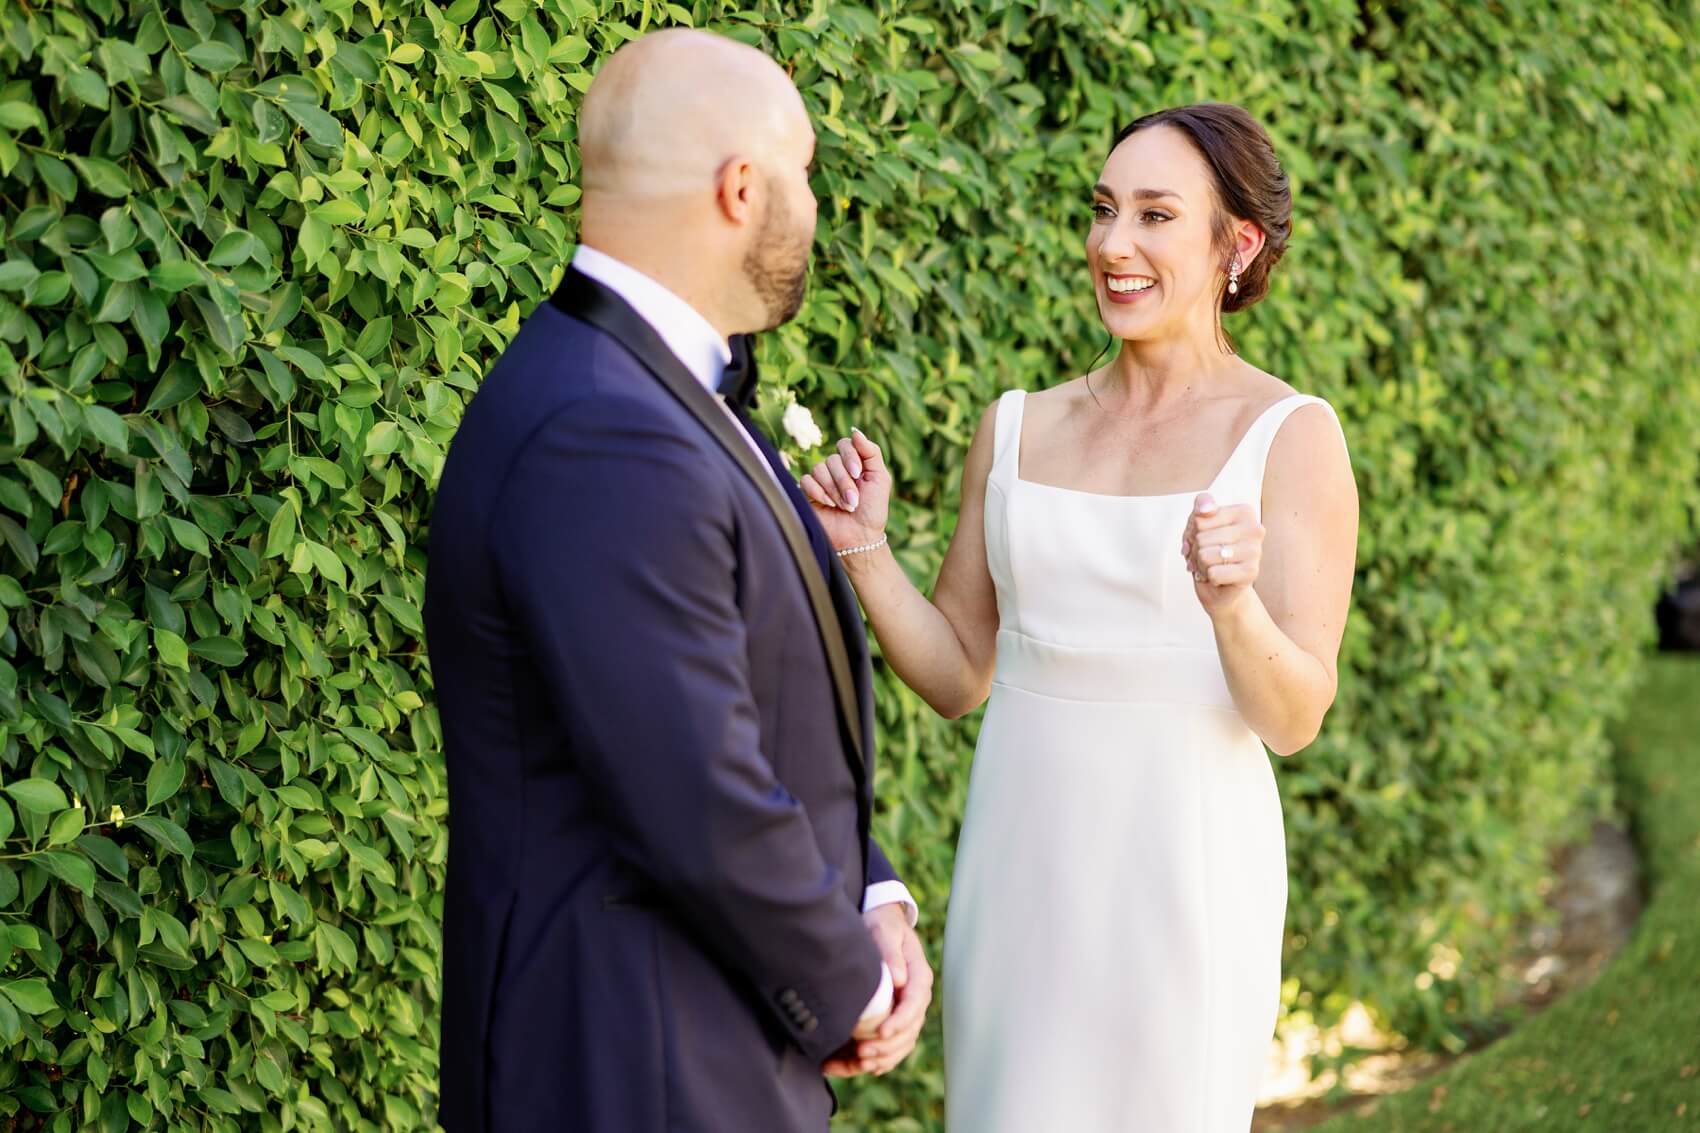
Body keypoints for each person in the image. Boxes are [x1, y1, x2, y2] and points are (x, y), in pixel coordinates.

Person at [801, 104, 1359, 1130]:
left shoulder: (1290, 435)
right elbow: (960, 670)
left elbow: (1293, 716)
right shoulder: (1015, 426)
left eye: (1154, 215)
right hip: (1021, 868)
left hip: (1187, 874)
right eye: (1103, 211)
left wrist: (1229, 605)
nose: (1113, 245)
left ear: (1232, 244)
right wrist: (861, 553)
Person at [424, 29, 931, 1133]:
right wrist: (844, 976)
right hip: (631, 1057)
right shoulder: (604, 426)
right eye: (802, 171)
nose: (810, 203)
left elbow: (744, 706)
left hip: (689, 1036)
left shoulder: (640, 390)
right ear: (741, 189)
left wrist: (869, 891)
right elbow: (692, 786)